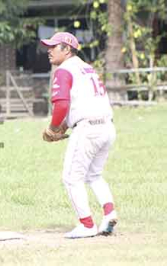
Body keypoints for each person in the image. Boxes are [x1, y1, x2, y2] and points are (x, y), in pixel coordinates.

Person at [40, 32, 117, 239]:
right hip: (107, 126)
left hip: (88, 129)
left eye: (54, 46)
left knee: (71, 178)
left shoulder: (64, 70)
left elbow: (62, 103)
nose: (49, 50)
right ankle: (109, 213)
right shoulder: (86, 67)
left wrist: (53, 127)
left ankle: (87, 224)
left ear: (67, 49)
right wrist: (64, 126)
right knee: (94, 176)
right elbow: (82, 102)